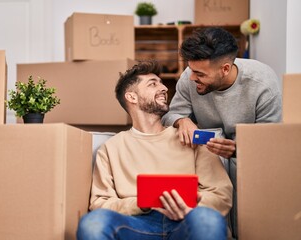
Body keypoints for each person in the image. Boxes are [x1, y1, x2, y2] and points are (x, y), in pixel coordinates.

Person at [77, 60, 233, 240]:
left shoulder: (190, 137)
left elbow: (221, 193)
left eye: (161, 82)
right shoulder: (111, 148)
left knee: (206, 219)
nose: (164, 88)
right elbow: (99, 203)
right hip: (136, 224)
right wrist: (139, 204)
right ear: (132, 97)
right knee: (93, 223)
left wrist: (193, 205)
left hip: (187, 222)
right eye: (153, 84)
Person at [161, 27, 282, 238]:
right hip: (206, 157)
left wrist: (239, 150)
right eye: (191, 71)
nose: (192, 78)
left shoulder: (263, 85)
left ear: (225, 69)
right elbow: (170, 115)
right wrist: (182, 120)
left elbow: (270, 143)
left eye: (200, 74)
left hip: (251, 161)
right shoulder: (189, 77)